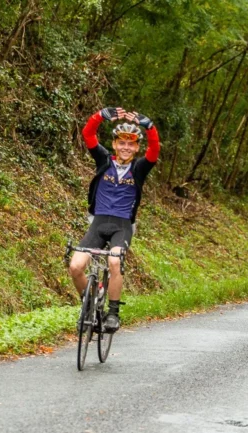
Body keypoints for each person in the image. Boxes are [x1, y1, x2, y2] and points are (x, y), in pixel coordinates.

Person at [68, 107, 160, 332]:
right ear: (115, 144)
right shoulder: (103, 160)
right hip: (98, 223)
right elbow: (88, 135)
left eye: (131, 144)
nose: (126, 147)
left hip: (123, 226)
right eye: (122, 143)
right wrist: (101, 115)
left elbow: (155, 150)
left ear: (137, 147)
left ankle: (113, 313)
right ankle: (89, 303)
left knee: (115, 261)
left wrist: (149, 126)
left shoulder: (139, 168)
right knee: (75, 266)